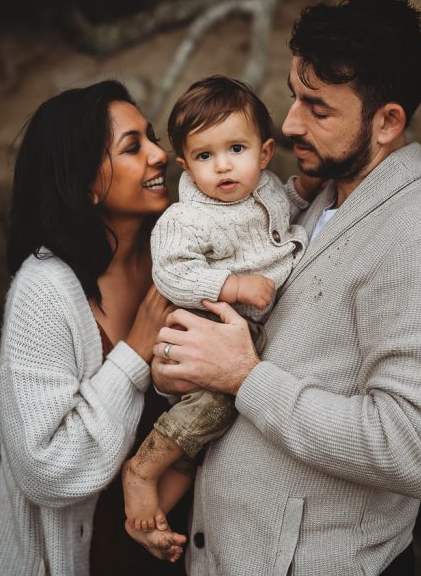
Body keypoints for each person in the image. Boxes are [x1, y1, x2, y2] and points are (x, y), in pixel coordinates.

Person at [132, 0, 421, 574]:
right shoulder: (312, 198)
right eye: (295, 97)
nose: (290, 123)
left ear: (388, 122)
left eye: (317, 109)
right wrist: (186, 369)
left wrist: (245, 378)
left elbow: (416, 449)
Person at [0, 80, 188, 575]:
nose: (161, 155)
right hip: (84, 559)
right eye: (133, 147)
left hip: (176, 544)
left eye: (152, 137)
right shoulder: (45, 290)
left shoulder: (179, 256)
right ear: (86, 184)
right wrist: (134, 354)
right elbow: (44, 467)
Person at [121, 75, 318, 533]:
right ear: (186, 166)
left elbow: (274, 213)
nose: (223, 167)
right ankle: (142, 471)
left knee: (208, 438)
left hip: (242, 336)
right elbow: (172, 272)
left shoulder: (265, 187)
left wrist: (303, 192)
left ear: (264, 153)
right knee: (213, 409)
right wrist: (232, 285)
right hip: (206, 331)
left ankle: (154, 520)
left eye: (236, 150)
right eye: (205, 156)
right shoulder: (187, 218)